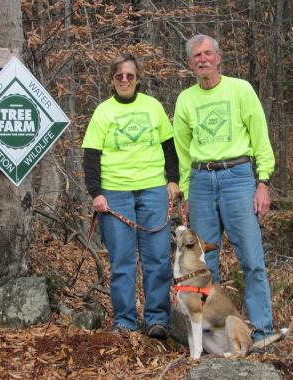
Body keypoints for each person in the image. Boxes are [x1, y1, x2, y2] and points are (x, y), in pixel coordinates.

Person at [173, 34, 276, 348]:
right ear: (190, 63)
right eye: (196, 56)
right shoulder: (185, 99)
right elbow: (183, 151)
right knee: (205, 267)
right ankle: (212, 336)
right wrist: (187, 195)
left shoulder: (240, 89)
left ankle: (261, 331)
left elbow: (260, 137)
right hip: (201, 181)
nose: (202, 59)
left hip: (238, 177)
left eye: (207, 54)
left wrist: (263, 182)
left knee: (252, 259)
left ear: (218, 58)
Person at [82, 54, 180, 340]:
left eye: (130, 75)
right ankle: (124, 320)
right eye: (119, 76)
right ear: (112, 80)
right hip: (115, 194)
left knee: (158, 259)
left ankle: (157, 320)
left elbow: (169, 146)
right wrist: (96, 192)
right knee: (122, 260)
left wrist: (172, 180)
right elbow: (91, 156)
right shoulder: (103, 111)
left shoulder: (153, 107)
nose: (124, 80)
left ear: (138, 79)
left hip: (153, 189)